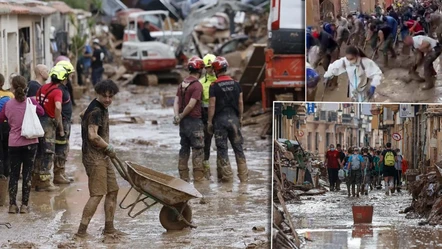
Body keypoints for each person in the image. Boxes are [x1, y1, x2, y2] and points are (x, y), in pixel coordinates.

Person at [76, 80, 124, 237]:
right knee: (97, 194)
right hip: (94, 158)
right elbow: (92, 135)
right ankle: (81, 232)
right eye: (105, 96)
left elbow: (82, 114)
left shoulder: (100, 107)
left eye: (111, 96)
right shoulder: (96, 112)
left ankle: (109, 228)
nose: (108, 99)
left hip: (102, 156)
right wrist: (108, 147)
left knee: (113, 190)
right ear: (98, 94)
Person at [0, 76, 44, 213]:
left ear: (12, 87)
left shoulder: (8, 104)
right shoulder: (31, 102)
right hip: (30, 142)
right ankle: (25, 205)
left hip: (13, 144)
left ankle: (12, 205)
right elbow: (42, 112)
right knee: (27, 173)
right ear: (26, 87)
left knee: (14, 174)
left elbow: (1, 118)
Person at [207, 56, 248, 183]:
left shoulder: (214, 86)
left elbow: (212, 105)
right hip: (234, 120)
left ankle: (228, 179)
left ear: (215, 70)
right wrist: (240, 117)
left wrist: (209, 121)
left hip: (220, 122)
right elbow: (240, 102)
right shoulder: (236, 84)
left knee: (222, 149)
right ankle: (244, 177)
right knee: (238, 148)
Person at [34, 65, 66, 192]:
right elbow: (58, 107)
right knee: (48, 152)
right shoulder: (57, 91)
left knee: (38, 152)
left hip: (39, 121)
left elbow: (36, 101)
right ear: (63, 79)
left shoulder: (42, 88)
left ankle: (35, 180)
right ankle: (45, 182)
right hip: (49, 124)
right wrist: (58, 121)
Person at [173, 56, 205, 182]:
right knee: (197, 150)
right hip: (194, 122)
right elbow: (191, 105)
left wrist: (177, 116)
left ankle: (184, 180)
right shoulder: (197, 85)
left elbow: (175, 102)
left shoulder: (182, 84)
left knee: (184, 148)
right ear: (200, 70)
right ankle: (198, 182)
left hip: (183, 124)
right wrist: (181, 116)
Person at [54, 60, 75, 184]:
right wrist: (61, 128)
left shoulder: (63, 87)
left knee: (64, 147)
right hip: (62, 123)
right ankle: (58, 174)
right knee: (61, 148)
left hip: (66, 121)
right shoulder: (59, 89)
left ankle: (61, 172)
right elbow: (57, 108)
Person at [199, 54, 217, 180]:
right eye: (208, 67)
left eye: (212, 67)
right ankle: (206, 170)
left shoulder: (219, 81)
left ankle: (224, 173)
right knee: (206, 143)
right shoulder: (200, 83)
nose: (210, 69)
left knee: (221, 144)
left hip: (219, 115)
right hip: (205, 116)